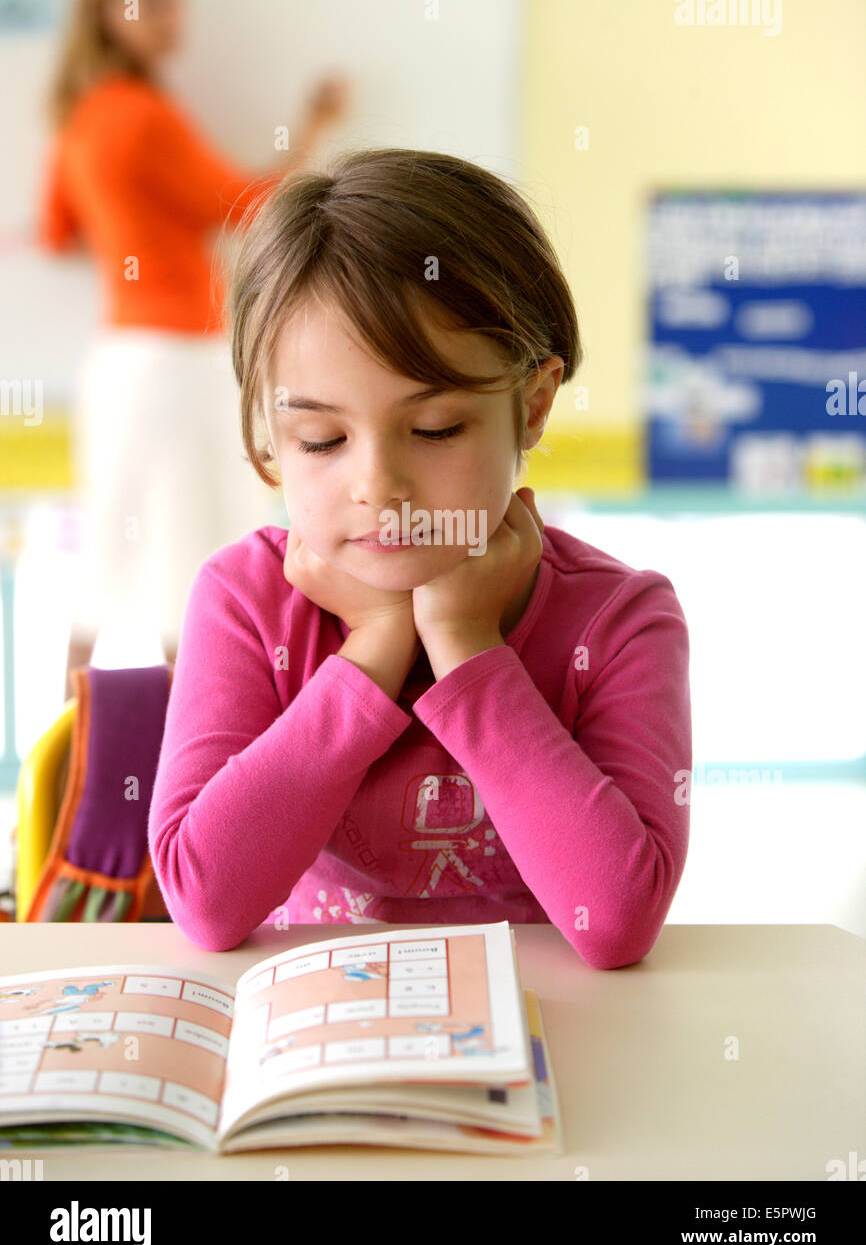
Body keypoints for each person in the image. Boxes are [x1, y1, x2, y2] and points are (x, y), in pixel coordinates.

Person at [147, 147, 692, 969]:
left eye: (435, 429)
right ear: (271, 445)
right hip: (316, 1044)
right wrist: (374, 644)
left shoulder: (620, 622)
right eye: (321, 439)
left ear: (532, 405)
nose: (378, 485)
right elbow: (206, 903)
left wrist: (467, 641)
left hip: (553, 1050)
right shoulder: (243, 600)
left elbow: (615, 922)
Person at [35, 0, 350, 697]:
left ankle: (69, 772)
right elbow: (248, 205)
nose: (174, 18)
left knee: (110, 558)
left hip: (121, 362)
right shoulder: (142, 115)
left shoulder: (81, 118)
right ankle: (194, 776)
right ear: (108, 14)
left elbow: (54, 232)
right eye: (153, 1)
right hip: (182, 359)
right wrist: (317, 125)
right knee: (204, 560)